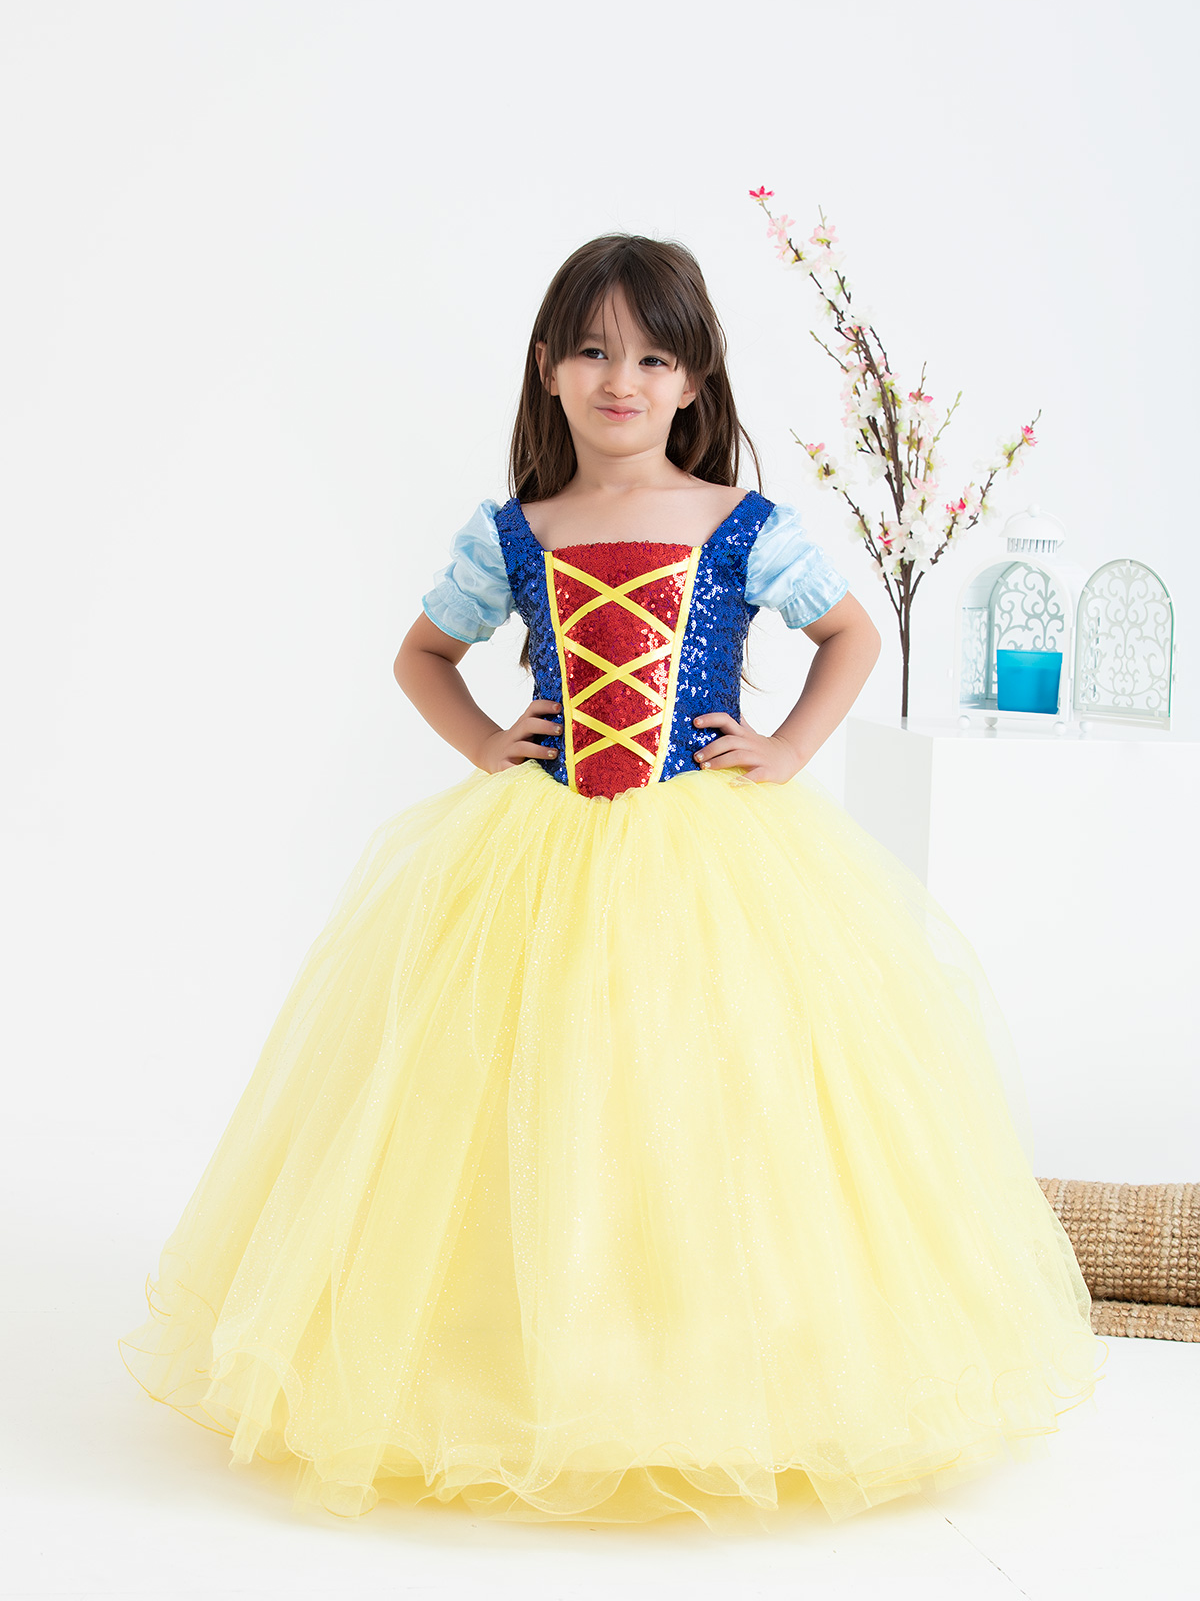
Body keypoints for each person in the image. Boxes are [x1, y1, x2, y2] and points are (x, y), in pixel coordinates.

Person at [119, 234, 1106, 1530]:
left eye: (650, 357)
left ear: (694, 379)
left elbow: (851, 635)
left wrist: (787, 749)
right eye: (591, 351)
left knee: (706, 1087)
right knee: (530, 1088)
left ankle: (707, 1353)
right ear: (548, 367)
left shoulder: (741, 524)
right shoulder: (516, 532)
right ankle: (530, 1356)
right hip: (537, 855)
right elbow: (421, 655)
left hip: (706, 855)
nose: (619, 380)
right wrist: (489, 743)